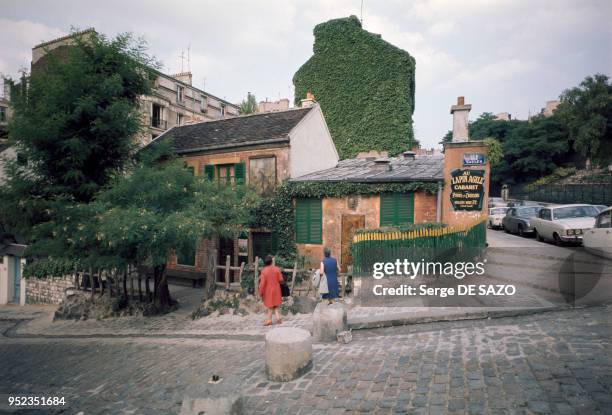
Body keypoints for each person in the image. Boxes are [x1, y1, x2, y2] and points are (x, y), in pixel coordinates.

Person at [258, 255, 284, 326]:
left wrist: (260, 292)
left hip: (268, 291)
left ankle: (269, 320)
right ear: (271, 262)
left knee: (270, 305)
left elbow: (262, 284)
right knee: (274, 304)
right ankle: (278, 317)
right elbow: (281, 280)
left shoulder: (264, 271)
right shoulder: (277, 269)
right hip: (276, 289)